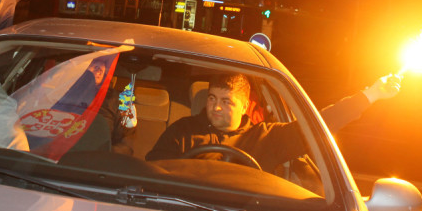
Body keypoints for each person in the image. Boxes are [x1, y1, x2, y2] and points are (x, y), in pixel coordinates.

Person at [145, 73, 401, 172]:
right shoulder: (182, 131)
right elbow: (153, 173)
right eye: (212, 99)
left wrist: (372, 94)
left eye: (227, 101)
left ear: (245, 106)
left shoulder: (267, 138)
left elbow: (319, 124)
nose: (216, 107)